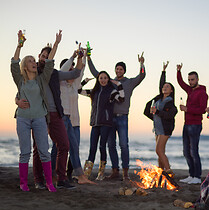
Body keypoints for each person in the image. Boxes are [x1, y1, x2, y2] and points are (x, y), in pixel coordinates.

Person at [16, 32, 82, 190]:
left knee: (64, 145)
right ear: (39, 56)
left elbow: (75, 73)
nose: (45, 58)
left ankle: (61, 178)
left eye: (48, 56)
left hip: (55, 114)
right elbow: (20, 91)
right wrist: (17, 101)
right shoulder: (32, 73)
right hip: (39, 113)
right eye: (43, 55)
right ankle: (39, 180)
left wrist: (80, 57)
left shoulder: (53, 73)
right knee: (38, 149)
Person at [11, 30, 59, 192]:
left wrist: (57, 43)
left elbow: (50, 62)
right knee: (25, 152)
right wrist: (19, 45)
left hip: (39, 119)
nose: (34, 62)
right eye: (30, 61)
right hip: (23, 119)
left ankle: (49, 183)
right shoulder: (20, 79)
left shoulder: (41, 79)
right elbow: (14, 63)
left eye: (34, 60)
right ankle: (23, 183)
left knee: (44, 152)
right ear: (25, 66)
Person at [87, 51, 146, 180]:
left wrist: (141, 63)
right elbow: (96, 73)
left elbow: (142, 76)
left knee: (124, 144)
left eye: (121, 69)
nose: (118, 71)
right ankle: (115, 171)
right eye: (117, 69)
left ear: (124, 71)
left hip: (123, 117)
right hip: (109, 119)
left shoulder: (130, 82)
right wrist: (89, 58)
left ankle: (125, 172)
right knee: (110, 145)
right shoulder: (110, 82)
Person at [56, 49, 95, 184]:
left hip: (75, 122)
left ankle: (71, 174)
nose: (72, 71)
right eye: (70, 69)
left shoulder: (75, 85)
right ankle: (54, 173)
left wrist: (83, 57)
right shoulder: (60, 84)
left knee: (74, 148)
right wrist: (72, 57)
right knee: (59, 148)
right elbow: (63, 69)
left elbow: (81, 70)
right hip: (62, 120)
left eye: (73, 69)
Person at [80, 71, 125, 180]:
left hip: (106, 123)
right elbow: (79, 90)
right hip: (95, 123)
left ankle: (101, 173)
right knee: (92, 148)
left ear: (108, 79)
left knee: (102, 147)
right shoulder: (94, 91)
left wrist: (119, 85)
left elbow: (121, 99)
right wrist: (84, 81)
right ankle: (87, 173)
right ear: (98, 79)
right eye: (101, 78)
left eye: (105, 78)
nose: (103, 80)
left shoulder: (112, 91)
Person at [144, 61, 177, 174]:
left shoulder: (170, 102)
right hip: (157, 129)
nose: (164, 87)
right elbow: (161, 84)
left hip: (165, 129)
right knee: (161, 151)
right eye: (164, 86)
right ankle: (161, 171)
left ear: (171, 90)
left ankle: (168, 170)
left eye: (167, 87)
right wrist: (163, 71)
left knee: (158, 150)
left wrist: (157, 111)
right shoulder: (159, 99)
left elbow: (169, 115)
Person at [176, 63, 208, 184]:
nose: (190, 82)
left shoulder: (202, 93)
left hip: (195, 125)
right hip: (186, 124)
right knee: (186, 151)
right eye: (189, 80)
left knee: (194, 151)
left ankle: (197, 177)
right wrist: (178, 71)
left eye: (192, 79)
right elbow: (181, 83)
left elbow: (202, 110)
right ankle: (191, 174)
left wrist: (187, 109)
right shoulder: (189, 89)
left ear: (197, 79)